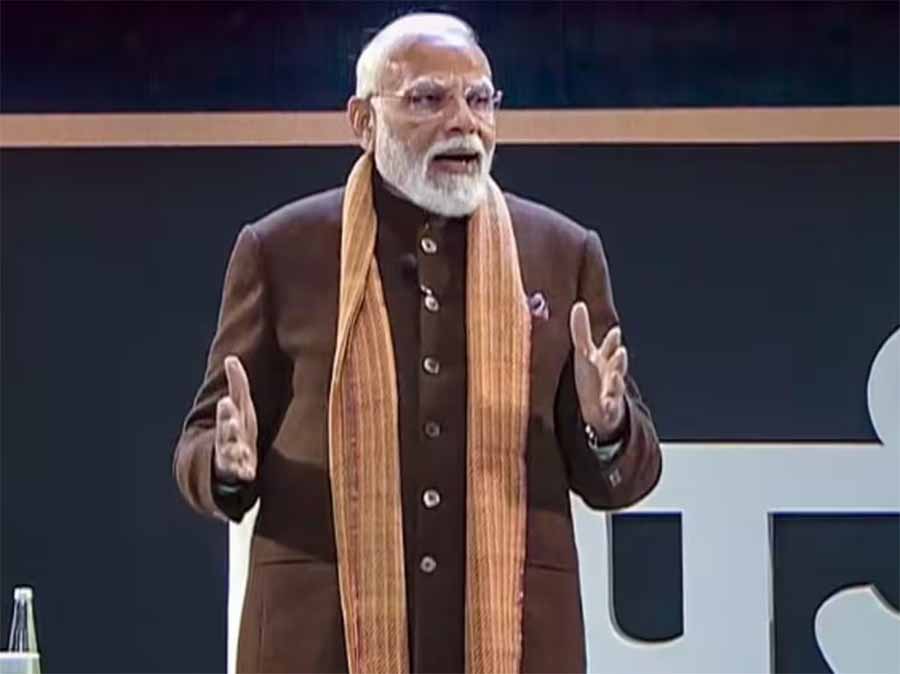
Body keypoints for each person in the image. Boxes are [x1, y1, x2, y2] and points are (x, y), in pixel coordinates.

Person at [173, 12, 661, 674]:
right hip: (320, 644)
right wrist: (225, 464)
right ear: (363, 121)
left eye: (480, 99)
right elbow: (201, 441)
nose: (464, 122)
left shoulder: (560, 253)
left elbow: (628, 476)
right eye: (429, 99)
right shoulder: (282, 250)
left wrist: (606, 427)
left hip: (513, 647)